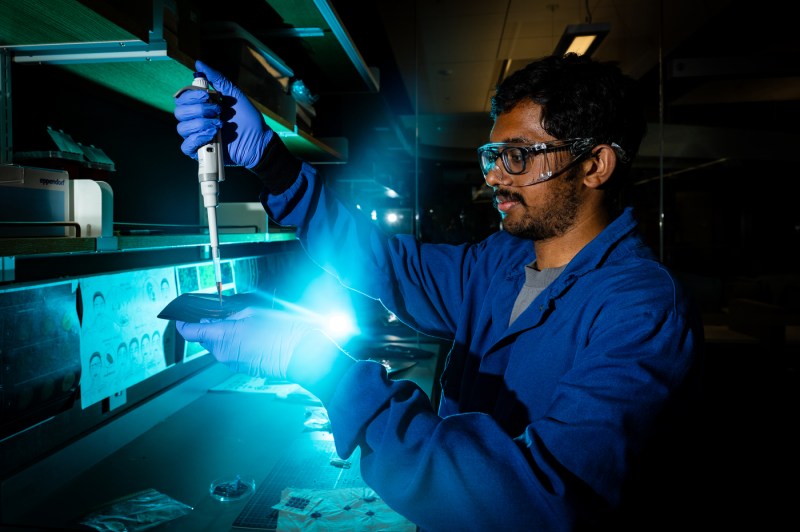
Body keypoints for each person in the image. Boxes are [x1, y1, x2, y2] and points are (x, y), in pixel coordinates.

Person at [173, 54, 704, 530]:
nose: (495, 176)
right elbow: (387, 265)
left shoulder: (643, 310)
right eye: (493, 155)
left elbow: (542, 500)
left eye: (517, 156)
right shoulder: (504, 259)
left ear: (594, 164)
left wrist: (318, 365)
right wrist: (269, 160)